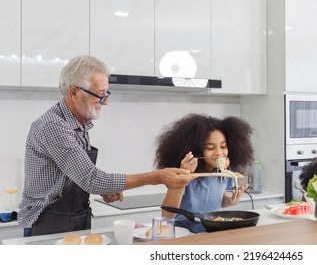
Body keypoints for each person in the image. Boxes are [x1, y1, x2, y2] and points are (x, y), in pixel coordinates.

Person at [18, 55, 197, 237]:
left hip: (74, 218)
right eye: (100, 95)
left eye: (106, 94)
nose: (106, 102)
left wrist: (105, 190)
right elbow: (91, 179)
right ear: (74, 93)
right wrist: (158, 177)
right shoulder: (54, 126)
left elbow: (78, 177)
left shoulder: (78, 124)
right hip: (47, 222)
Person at [154, 113, 254, 233]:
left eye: (223, 146)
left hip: (211, 231)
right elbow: (167, 215)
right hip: (183, 232)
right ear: (196, 150)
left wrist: (229, 202)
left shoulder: (225, 173)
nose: (219, 153)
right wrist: (182, 177)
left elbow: (212, 201)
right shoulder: (185, 175)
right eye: (210, 148)